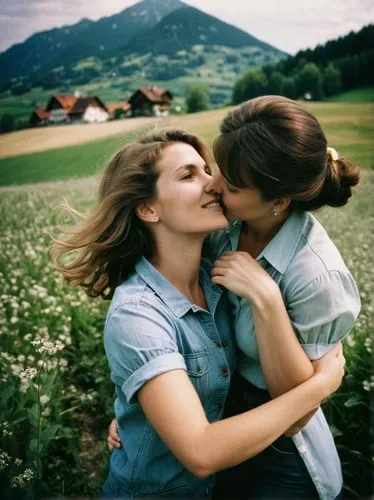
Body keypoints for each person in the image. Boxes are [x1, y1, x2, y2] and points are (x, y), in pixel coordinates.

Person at [52, 127, 346, 499]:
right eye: (188, 175)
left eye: (206, 169)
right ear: (147, 208)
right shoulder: (137, 315)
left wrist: (141, 413)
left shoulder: (220, 274)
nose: (214, 184)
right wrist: (320, 384)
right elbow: (202, 452)